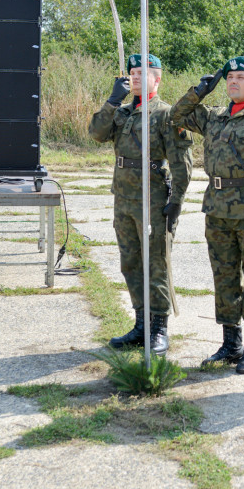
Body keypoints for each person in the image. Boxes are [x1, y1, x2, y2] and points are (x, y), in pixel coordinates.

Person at [170, 56, 244, 373]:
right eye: (229, 78)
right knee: (224, 277)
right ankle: (230, 343)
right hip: (217, 210)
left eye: (241, 77)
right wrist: (198, 92)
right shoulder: (215, 117)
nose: (233, 82)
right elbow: (176, 115)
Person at [89, 53, 193, 354]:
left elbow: (182, 163)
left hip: (152, 198)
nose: (135, 77)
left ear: (156, 79)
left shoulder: (166, 114)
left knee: (155, 263)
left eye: (142, 73)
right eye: (132, 73)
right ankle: (141, 324)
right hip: (123, 197)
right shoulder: (121, 112)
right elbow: (96, 134)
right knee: (131, 262)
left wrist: (177, 201)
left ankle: (159, 328)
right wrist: (112, 101)